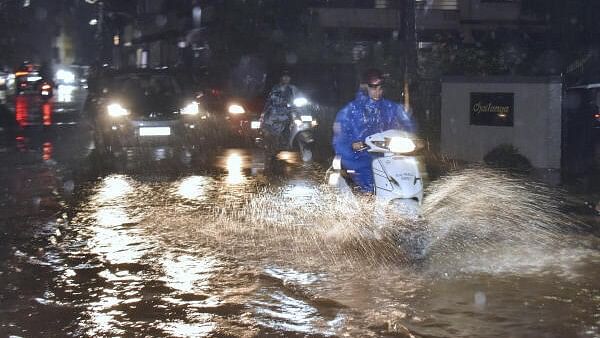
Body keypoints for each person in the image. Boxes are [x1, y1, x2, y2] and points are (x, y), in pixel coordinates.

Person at [332, 68, 416, 193]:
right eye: (373, 88)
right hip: (360, 158)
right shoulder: (350, 110)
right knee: (370, 187)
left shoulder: (390, 107)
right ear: (365, 87)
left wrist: (411, 135)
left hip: (389, 155)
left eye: (380, 88)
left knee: (408, 178)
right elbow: (340, 137)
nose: (378, 92)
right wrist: (352, 144)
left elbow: (407, 124)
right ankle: (367, 202)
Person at [259, 70, 298, 151]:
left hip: (288, 112)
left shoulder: (293, 88)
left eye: (288, 77)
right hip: (274, 112)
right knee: (266, 126)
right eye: (284, 77)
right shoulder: (275, 87)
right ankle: (266, 142)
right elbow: (269, 100)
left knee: (292, 124)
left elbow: (299, 98)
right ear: (281, 78)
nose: (286, 78)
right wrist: (263, 112)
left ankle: (287, 142)